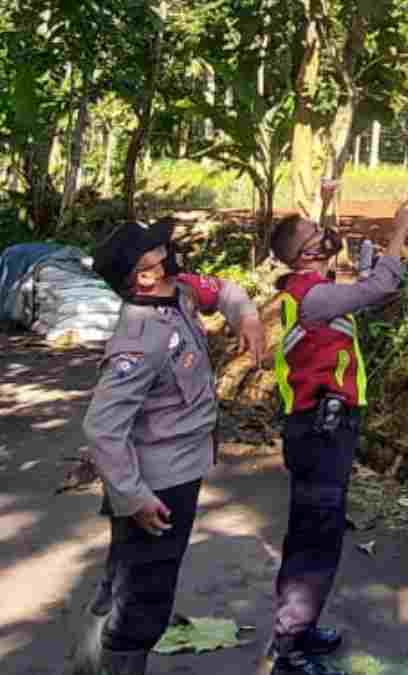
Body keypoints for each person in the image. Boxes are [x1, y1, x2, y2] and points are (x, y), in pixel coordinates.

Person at [71, 218, 266, 675]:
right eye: (157, 250)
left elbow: (225, 290)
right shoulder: (138, 342)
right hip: (158, 486)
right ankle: (115, 661)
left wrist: (249, 317)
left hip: (179, 468)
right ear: (142, 276)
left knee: (125, 573)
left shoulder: (177, 292)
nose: (168, 250)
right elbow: (102, 426)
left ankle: (89, 660)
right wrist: (135, 497)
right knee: (145, 601)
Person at [265, 200, 408, 675]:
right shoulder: (313, 297)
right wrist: (400, 231)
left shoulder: (316, 289)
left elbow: (372, 291)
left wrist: (369, 268)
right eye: (315, 232)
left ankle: (298, 629)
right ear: (305, 255)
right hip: (320, 431)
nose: (325, 232)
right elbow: (384, 285)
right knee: (315, 538)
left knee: (313, 533)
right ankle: (289, 647)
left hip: (323, 428)